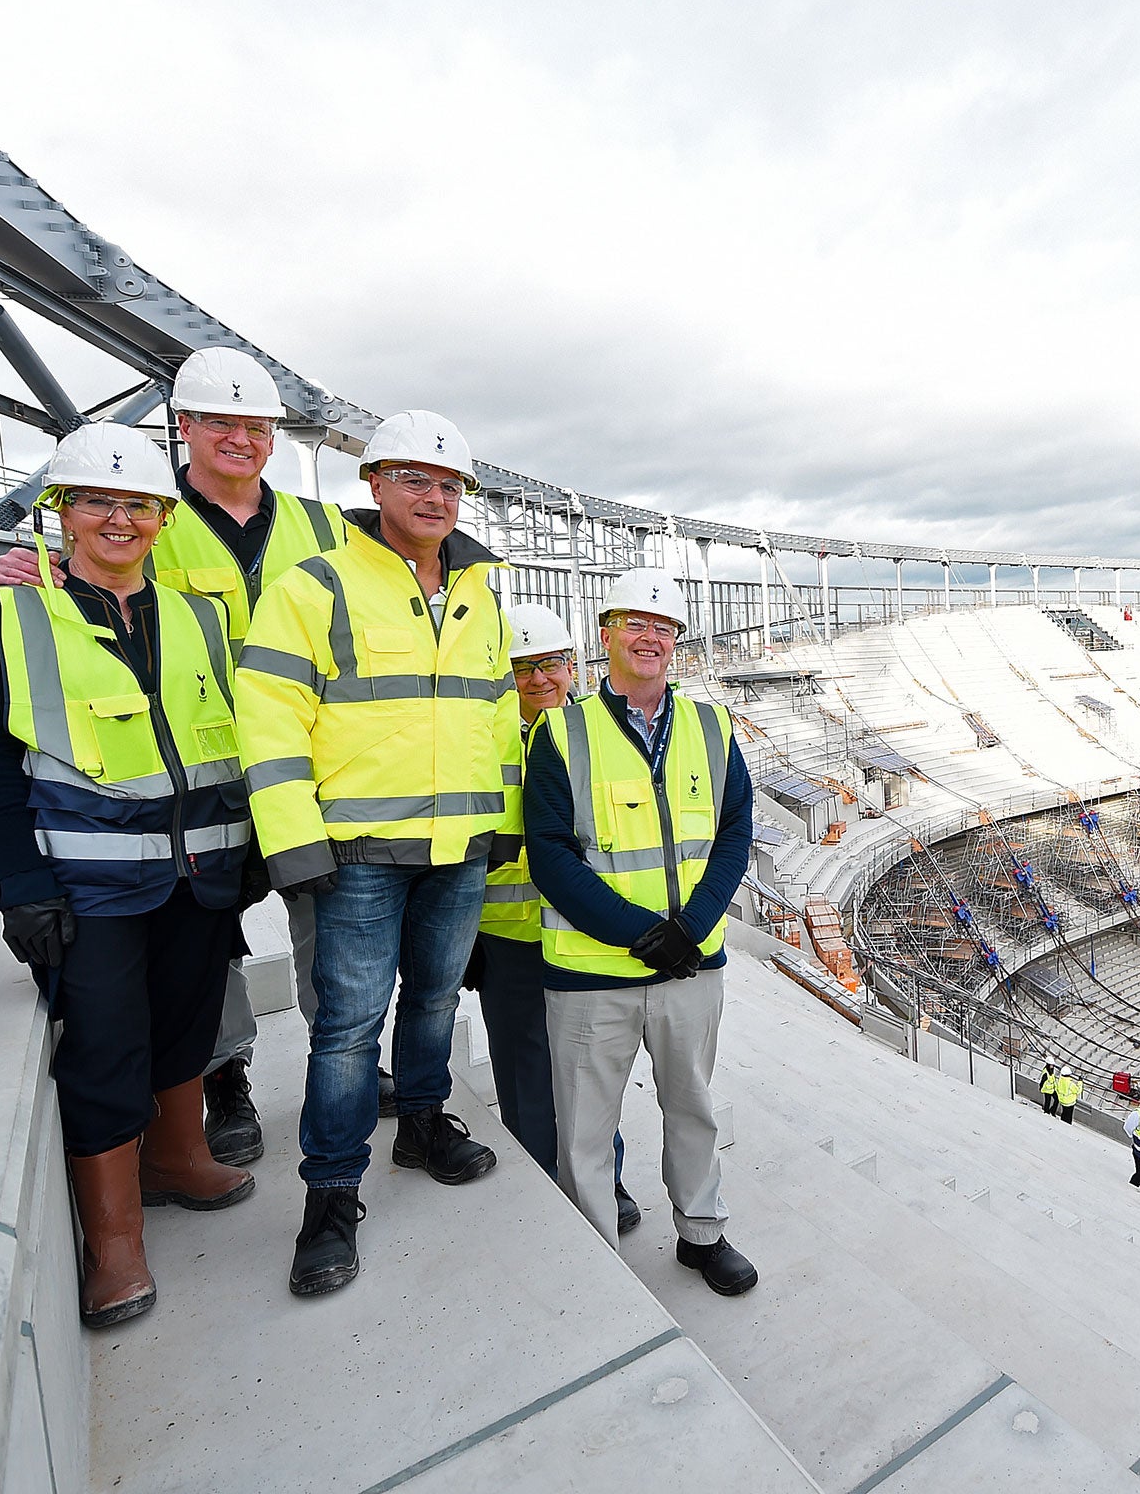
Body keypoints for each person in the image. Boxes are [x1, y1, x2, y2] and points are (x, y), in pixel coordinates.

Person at [0, 347, 352, 1169]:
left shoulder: (324, 526)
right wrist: (31, 566)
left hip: (306, 761)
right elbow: (96, 572)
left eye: (255, 426)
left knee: (328, 923)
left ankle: (348, 1061)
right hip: (202, 768)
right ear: (181, 426)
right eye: (218, 422)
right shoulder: (146, 510)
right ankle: (224, 1078)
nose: (238, 438)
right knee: (207, 934)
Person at [0, 423, 255, 1329]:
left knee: (187, 1024)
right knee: (103, 1049)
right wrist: (22, 881)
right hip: (89, 884)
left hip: (201, 869)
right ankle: (116, 1241)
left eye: (138, 504)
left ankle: (176, 1158)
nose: (119, 520)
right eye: (97, 501)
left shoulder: (202, 616)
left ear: (164, 518)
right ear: (62, 512)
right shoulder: (11, 616)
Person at [238, 410, 519, 1298]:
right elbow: (271, 716)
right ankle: (329, 1198)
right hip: (356, 850)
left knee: (435, 998)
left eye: (448, 485)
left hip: (461, 843)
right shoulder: (314, 585)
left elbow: (498, 710)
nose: (434, 498)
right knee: (349, 1028)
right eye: (413, 480)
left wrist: (500, 814)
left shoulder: (481, 593)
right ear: (374, 485)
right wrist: (293, 839)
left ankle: (424, 1125)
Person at [522, 567, 758, 1294]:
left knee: (692, 1108)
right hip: (593, 977)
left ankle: (702, 1233)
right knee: (586, 1130)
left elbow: (733, 833)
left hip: (692, 969)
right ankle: (601, 1266)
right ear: (605, 633)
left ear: (677, 641)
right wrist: (637, 933)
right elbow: (550, 854)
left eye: (663, 627)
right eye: (634, 622)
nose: (650, 637)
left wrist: (689, 927)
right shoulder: (562, 731)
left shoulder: (712, 726)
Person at [469, 602, 637, 1232]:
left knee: (594, 1070)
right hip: (510, 937)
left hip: (583, 933)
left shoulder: (598, 735)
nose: (539, 679)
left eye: (549, 664)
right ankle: (543, 1184)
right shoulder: (486, 743)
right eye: (522, 668)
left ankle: (606, 1181)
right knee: (524, 1070)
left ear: (571, 665)